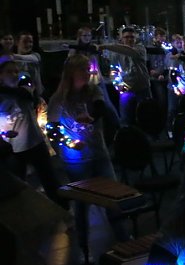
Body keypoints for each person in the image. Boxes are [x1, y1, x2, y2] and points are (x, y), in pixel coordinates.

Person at [47, 55, 127, 252]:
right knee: (82, 205)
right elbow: (52, 129)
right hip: (76, 160)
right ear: (71, 73)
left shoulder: (93, 91)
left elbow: (102, 108)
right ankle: (84, 250)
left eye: (88, 69)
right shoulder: (58, 99)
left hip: (99, 153)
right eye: (83, 69)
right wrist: (70, 143)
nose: (88, 73)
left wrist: (92, 117)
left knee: (113, 198)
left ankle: (125, 241)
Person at [0, 55, 60, 203]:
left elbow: (26, 95)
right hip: (13, 149)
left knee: (51, 183)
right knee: (18, 188)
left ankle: (63, 213)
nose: (14, 75)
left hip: (35, 143)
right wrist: (4, 133)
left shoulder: (24, 86)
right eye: (9, 72)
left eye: (16, 71)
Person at [99, 27, 151, 126]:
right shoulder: (116, 54)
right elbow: (113, 70)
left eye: (132, 37)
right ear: (122, 39)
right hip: (126, 88)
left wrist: (106, 46)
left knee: (146, 116)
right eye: (126, 37)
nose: (129, 39)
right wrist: (117, 85)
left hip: (142, 87)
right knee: (125, 117)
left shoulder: (140, 49)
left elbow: (130, 52)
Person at [12, 31, 44, 97]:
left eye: (30, 42)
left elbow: (33, 59)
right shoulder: (11, 61)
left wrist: (11, 56)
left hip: (37, 95)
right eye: (25, 41)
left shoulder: (35, 56)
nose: (28, 44)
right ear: (17, 42)